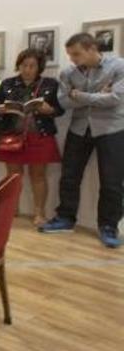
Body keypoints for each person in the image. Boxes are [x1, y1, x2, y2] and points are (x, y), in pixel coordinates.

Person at [41, 33, 124, 248]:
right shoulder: (68, 72)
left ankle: (108, 226)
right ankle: (65, 218)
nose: (72, 59)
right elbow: (64, 102)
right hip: (79, 129)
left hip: (111, 129)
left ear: (91, 49)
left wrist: (82, 95)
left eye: (76, 54)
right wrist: (98, 95)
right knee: (69, 176)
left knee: (112, 182)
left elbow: (116, 99)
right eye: (70, 55)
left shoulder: (118, 66)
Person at [0, 49, 63, 226]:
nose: (27, 69)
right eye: (24, 65)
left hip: (39, 135)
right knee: (13, 176)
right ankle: (11, 209)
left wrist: (49, 110)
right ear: (19, 65)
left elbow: (60, 109)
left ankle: (39, 213)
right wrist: (1, 109)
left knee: (38, 176)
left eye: (32, 66)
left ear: (39, 67)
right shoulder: (8, 83)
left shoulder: (50, 83)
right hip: (13, 135)